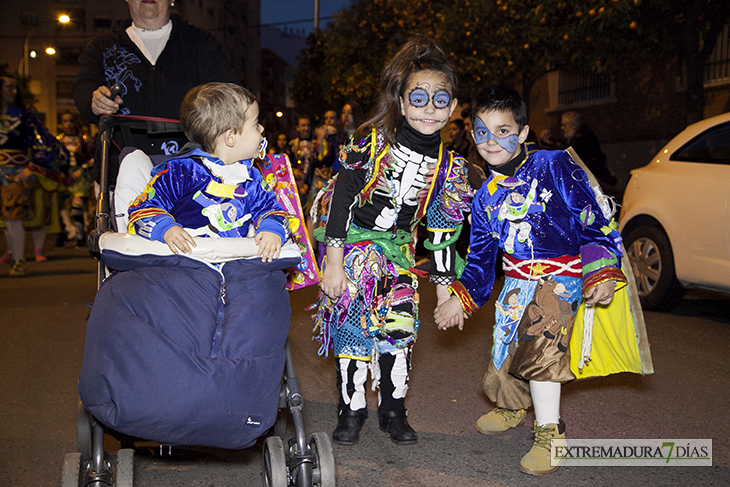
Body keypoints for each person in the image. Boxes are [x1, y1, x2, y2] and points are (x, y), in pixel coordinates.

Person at [434, 85, 638, 476]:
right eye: (482, 131)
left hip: (559, 280)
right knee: (503, 359)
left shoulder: (553, 164)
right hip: (514, 285)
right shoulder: (483, 199)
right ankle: (512, 407)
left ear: (524, 132)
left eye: (503, 130)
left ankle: (549, 432)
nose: (491, 141)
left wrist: (602, 271)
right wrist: (458, 299)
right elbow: (479, 262)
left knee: (542, 353)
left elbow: (594, 222)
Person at [311, 37, 472, 447]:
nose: (429, 108)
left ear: (453, 108)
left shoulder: (450, 169)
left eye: (440, 100)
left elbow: (440, 233)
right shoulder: (369, 144)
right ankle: (352, 410)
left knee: (398, 333)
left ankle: (393, 410)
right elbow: (342, 201)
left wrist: (443, 294)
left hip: (398, 258)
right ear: (401, 103)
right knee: (352, 335)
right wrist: (333, 263)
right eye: (418, 98)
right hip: (350, 253)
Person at [127, 82, 290, 260]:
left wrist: (272, 229)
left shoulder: (251, 177)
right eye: (256, 124)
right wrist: (165, 228)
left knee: (267, 284)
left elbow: (271, 209)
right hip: (187, 259)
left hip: (237, 261)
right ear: (231, 137)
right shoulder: (180, 172)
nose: (262, 129)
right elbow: (143, 207)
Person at [72, 0, 239, 124]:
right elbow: (83, 86)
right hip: (121, 165)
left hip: (187, 166)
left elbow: (230, 95)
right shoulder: (102, 47)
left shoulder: (201, 43)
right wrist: (94, 102)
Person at [0, 74, 67, 276]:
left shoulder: (24, 116)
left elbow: (45, 143)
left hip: (15, 174)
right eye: (8, 87)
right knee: (6, 221)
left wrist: (32, 167)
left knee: (13, 219)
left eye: (15, 87)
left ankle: (19, 261)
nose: (13, 91)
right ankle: (13, 254)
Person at [539, 111, 617, 188]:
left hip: (595, 178)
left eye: (564, 125)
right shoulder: (579, 135)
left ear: (573, 125)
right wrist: (549, 141)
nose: (562, 128)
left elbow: (568, 151)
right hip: (590, 177)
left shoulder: (583, 136)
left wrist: (550, 143)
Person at [56, 112, 94, 247]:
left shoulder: (84, 139)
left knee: (77, 206)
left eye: (71, 121)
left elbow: (94, 158)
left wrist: (82, 169)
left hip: (81, 178)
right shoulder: (58, 140)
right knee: (62, 207)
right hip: (64, 177)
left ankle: (80, 237)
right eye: (65, 121)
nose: (69, 124)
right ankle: (66, 233)